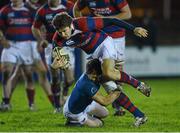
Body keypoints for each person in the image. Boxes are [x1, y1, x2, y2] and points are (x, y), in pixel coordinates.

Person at [52, 12, 151, 99]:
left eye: (65, 31)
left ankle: (139, 85)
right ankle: (134, 114)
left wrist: (133, 29)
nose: (63, 34)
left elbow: (112, 20)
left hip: (104, 44)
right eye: (60, 32)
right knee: (106, 84)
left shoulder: (84, 23)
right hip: (92, 54)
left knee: (108, 73)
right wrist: (58, 63)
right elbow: (56, 53)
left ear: (70, 25)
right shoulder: (57, 39)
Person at [73, 0, 132, 116]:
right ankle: (93, 102)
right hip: (97, 37)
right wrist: (83, 27)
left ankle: (117, 104)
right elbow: (76, 9)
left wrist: (108, 18)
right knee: (97, 70)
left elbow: (127, 14)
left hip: (116, 36)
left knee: (117, 70)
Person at [52, 58, 148, 127]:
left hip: (85, 105)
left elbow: (111, 73)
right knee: (100, 124)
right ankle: (73, 121)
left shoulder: (92, 72)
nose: (93, 76)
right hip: (74, 112)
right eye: (92, 74)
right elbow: (104, 102)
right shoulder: (86, 84)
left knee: (105, 113)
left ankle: (139, 110)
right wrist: (117, 91)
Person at [31, 0, 75, 113]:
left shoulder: (69, 6)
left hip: (67, 45)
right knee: (55, 76)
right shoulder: (42, 10)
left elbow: (77, 21)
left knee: (69, 79)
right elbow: (34, 27)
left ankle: (65, 91)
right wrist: (41, 40)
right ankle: (57, 106)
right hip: (51, 46)